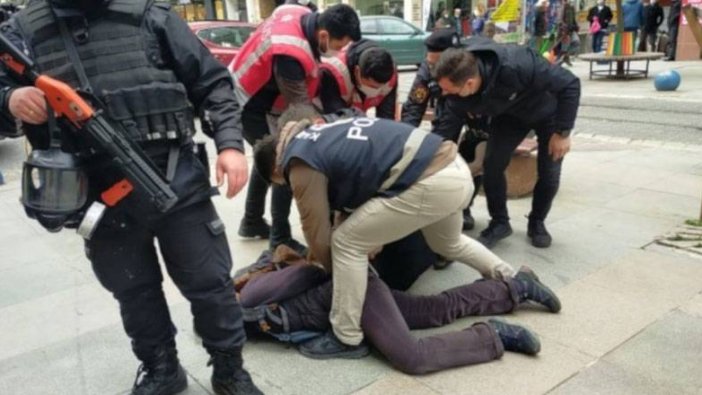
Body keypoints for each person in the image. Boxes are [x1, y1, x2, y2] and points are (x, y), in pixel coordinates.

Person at [0, 1, 262, 394]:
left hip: (174, 181)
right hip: (98, 195)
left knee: (211, 285)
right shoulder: (23, 28)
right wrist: (9, 100)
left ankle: (229, 370)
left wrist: (229, 144)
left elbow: (212, 82)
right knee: (133, 290)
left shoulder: (149, 14)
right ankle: (161, 369)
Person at [253, 106, 518, 357]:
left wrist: (334, 274)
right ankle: (513, 279)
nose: (288, 185)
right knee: (448, 243)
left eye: (282, 183)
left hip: (432, 182)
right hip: (452, 166)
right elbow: (357, 184)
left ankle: (345, 337)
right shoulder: (321, 133)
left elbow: (316, 232)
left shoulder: (297, 159)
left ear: (277, 170)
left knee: (346, 243)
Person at [236, 246, 561, 371]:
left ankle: (494, 336)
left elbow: (312, 271)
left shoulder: (248, 295)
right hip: (353, 297)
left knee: (412, 356)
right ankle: (517, 286)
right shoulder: (245, 318)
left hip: (354, 292)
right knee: (433, 310)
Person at [230, 3, 360, 254]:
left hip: (261, 98)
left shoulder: (303, 15)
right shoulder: (290, 53)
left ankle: (251, 221)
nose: (339, 52)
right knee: (284, 159)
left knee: (264, 156)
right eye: (338, 45)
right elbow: (300, 112)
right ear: (323, 35)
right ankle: (279, 238)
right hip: (246, 103)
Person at [432, 42, 580, 250]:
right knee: (492, 164)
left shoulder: (518, 64)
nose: (444, 93)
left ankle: (537, 222)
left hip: (548, 113)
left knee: (549, 171)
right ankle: (500, 222)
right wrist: (428, 159)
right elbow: (444, 130)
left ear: (470, 84)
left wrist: (563, 132)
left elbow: (570, 84)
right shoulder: (455, 89)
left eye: (449, 90)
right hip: (510, 116)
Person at [401, 29, 485, 232]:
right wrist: (402, 141)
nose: (431, 67)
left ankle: (464, 207)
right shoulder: (427, 70)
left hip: (476, 112)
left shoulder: (473, 63)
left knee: (473, 156)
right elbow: (414, 105)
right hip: (446, 113)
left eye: (436, 63)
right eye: (430, 62)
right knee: (439, 154)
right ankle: (441, 207)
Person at [318, 39, 398, 119]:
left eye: (380, 87)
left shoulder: (389, 73)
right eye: (371, 86)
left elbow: (386, 115)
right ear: (357, 71)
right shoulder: (333, 73)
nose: (375, 91)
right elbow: (340, 119)